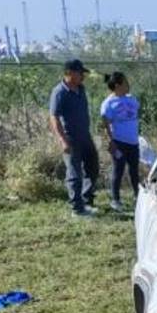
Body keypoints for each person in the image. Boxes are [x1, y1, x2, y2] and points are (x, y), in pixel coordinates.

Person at [49, 59, 101, 217]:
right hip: (71, 138)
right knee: (74, 173)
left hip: (85, 135)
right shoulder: (59, 92)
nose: (83, 76)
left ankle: (86, 200)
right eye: (80, 73)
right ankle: (77, 209)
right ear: (69, 73)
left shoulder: (81, 89)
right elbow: (54, 117)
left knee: (92, 167)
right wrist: (63, 140)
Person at [100, 71, 140, 212]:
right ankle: (115, 200)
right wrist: (111, 142)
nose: (128, 85)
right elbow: (106, 126)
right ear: (117, 85)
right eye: (125, 82)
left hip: (133, 142)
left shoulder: (132, 99)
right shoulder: (108, 104)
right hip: (119, 143)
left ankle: (138, 197)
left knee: (134, 171)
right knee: (118, 170)